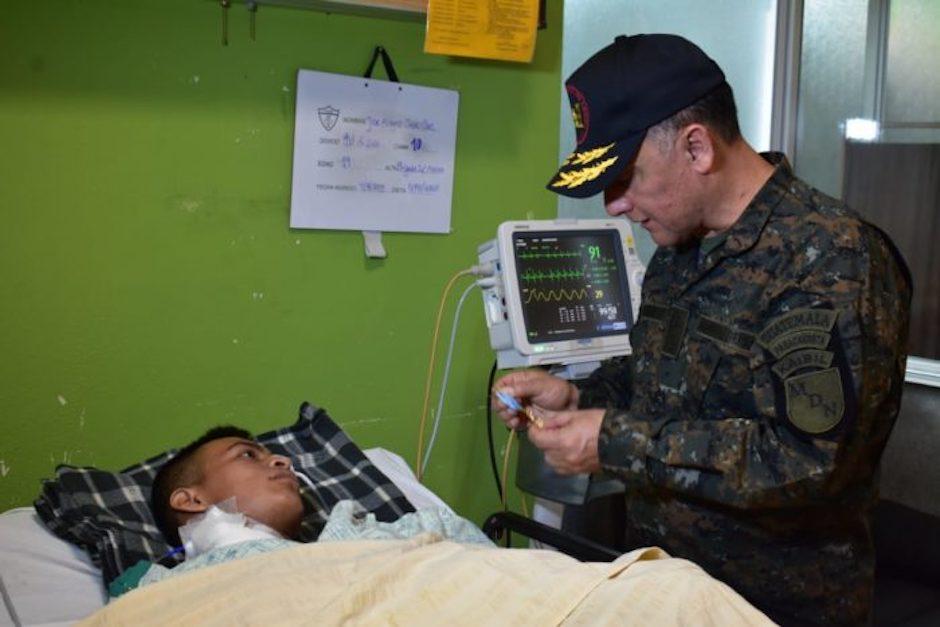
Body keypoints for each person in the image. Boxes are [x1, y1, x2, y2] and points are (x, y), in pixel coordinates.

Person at [493, 34, 911, 625]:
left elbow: (806, 459)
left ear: (696, 147)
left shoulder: (830, 256)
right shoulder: (678, 248)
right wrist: (580, 397)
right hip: (666, 591)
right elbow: (660, 380)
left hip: (772, 608)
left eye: (625, 177)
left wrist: (614, 442)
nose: (613, 205)